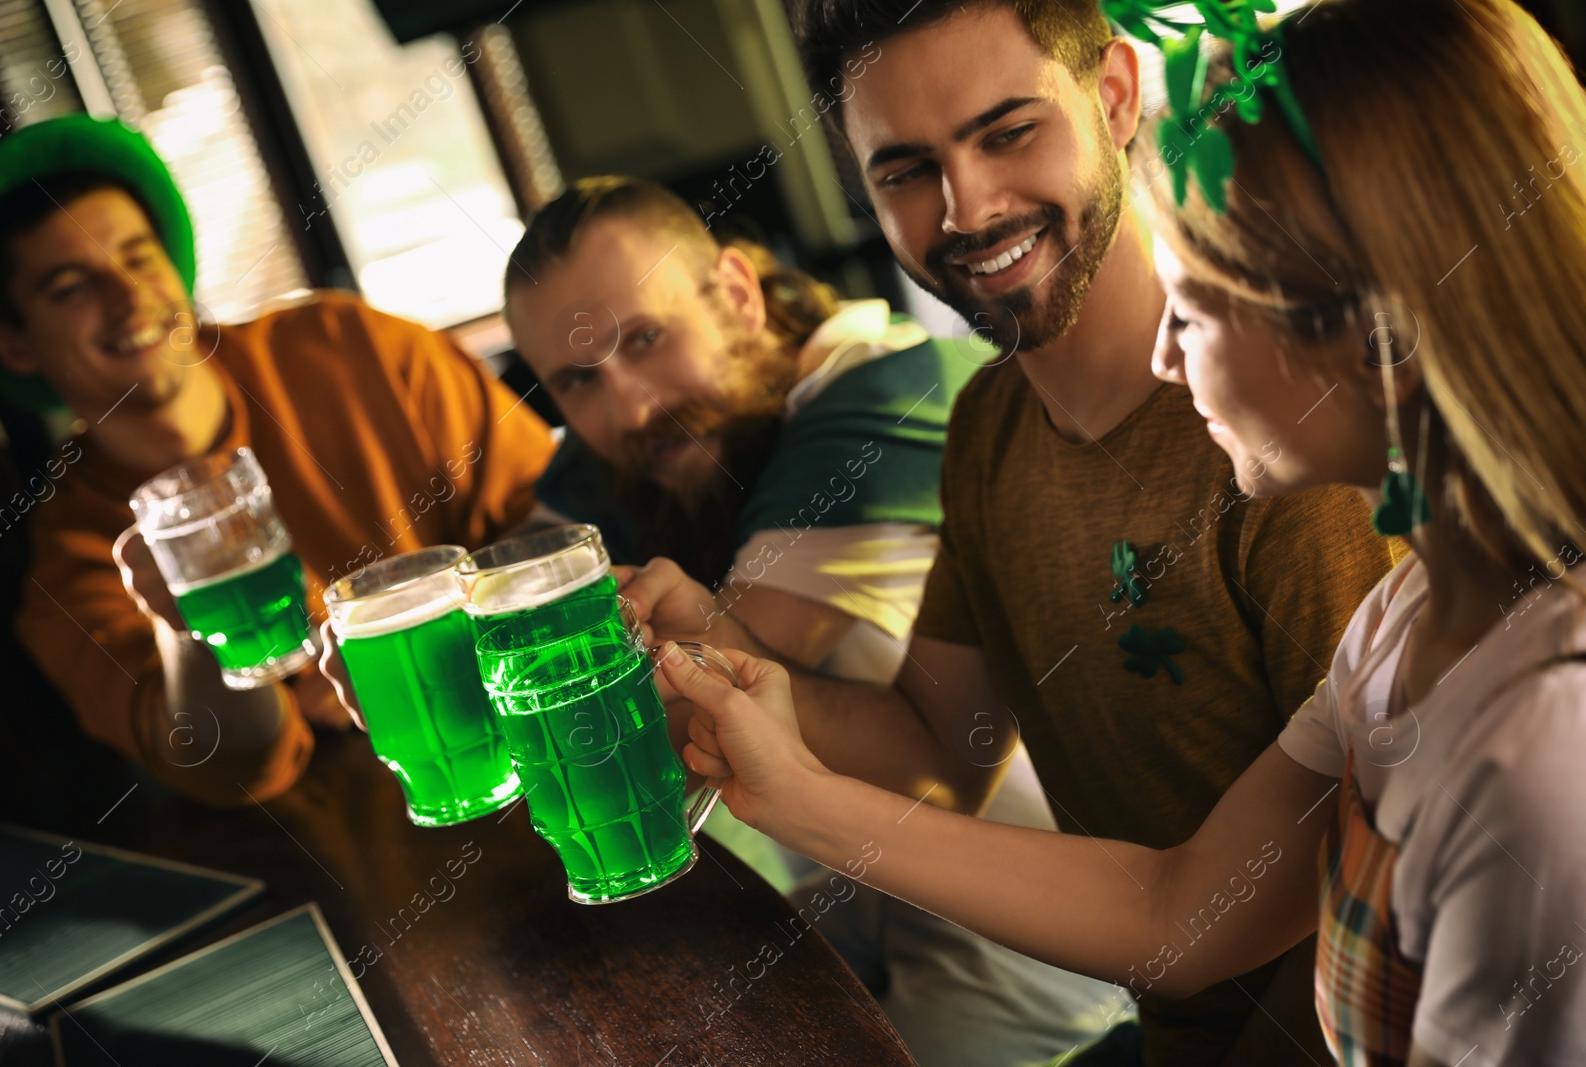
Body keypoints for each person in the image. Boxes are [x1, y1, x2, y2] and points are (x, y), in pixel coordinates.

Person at [656, 0, 1586, 1063]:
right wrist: (759, 724)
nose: (965, 207)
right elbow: (1175, 908)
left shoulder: (1528, 727)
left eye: (1195, 306)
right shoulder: (1403, 614)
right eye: (903, 169)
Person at [323, 175, 1130, 1062]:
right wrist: (412, 665)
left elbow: (716, 706)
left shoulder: (886, 396)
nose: (629, 403)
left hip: (1032, 911)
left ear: (740, 295)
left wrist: (474, 690)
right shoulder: (648, 448)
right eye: (578, 380)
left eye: (647, 339)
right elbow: (513, 596)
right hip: (843, 886)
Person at [0, 115, 555, 807]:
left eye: (139, 257)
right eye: (71, 286)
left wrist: (408, 646)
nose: (128, 295)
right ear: (15, 345)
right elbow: (226, 764)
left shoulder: (353, 346)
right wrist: (186, 630)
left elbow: (557, 524)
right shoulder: (70, 557)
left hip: (543, 750)